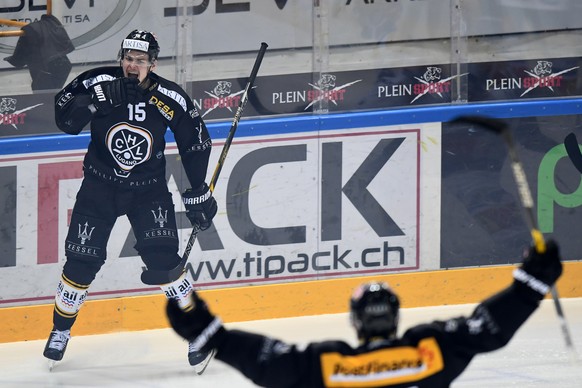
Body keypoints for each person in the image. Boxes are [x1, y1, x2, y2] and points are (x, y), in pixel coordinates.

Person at [44, 29, 218, 375]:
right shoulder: (97, 82)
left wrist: (198, 190)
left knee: (165, 261)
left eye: (140, 60)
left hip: (148, 191)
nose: (132, 65)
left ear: (152, 64)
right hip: (99, 188)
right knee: (80, 261)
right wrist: (95, 102)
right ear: (120, 59)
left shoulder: (168, 95)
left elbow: (195, 141)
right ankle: (59, 331)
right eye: (127, 58)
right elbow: (64, 120)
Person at [167, 240, 563, 387]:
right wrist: (530, 285)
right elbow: (485, 329)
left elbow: (271, 364)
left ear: (355, 321)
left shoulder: (327, 365)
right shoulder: (433, 352)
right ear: (395, 317)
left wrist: (211, 335)